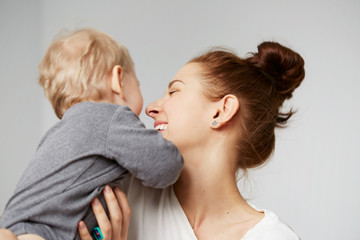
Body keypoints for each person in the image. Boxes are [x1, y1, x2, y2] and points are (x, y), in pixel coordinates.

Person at [78, 41, 305, 239]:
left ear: (221, 111)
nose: (151, 108)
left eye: (174, 92)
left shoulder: (272, 237)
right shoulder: (120, 192)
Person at [0, 28, 184, 240]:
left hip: (16, 223)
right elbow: (164, 165)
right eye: (138, 83)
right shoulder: (110, 117)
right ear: (118, 80)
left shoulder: (60, 132)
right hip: (44, 232)